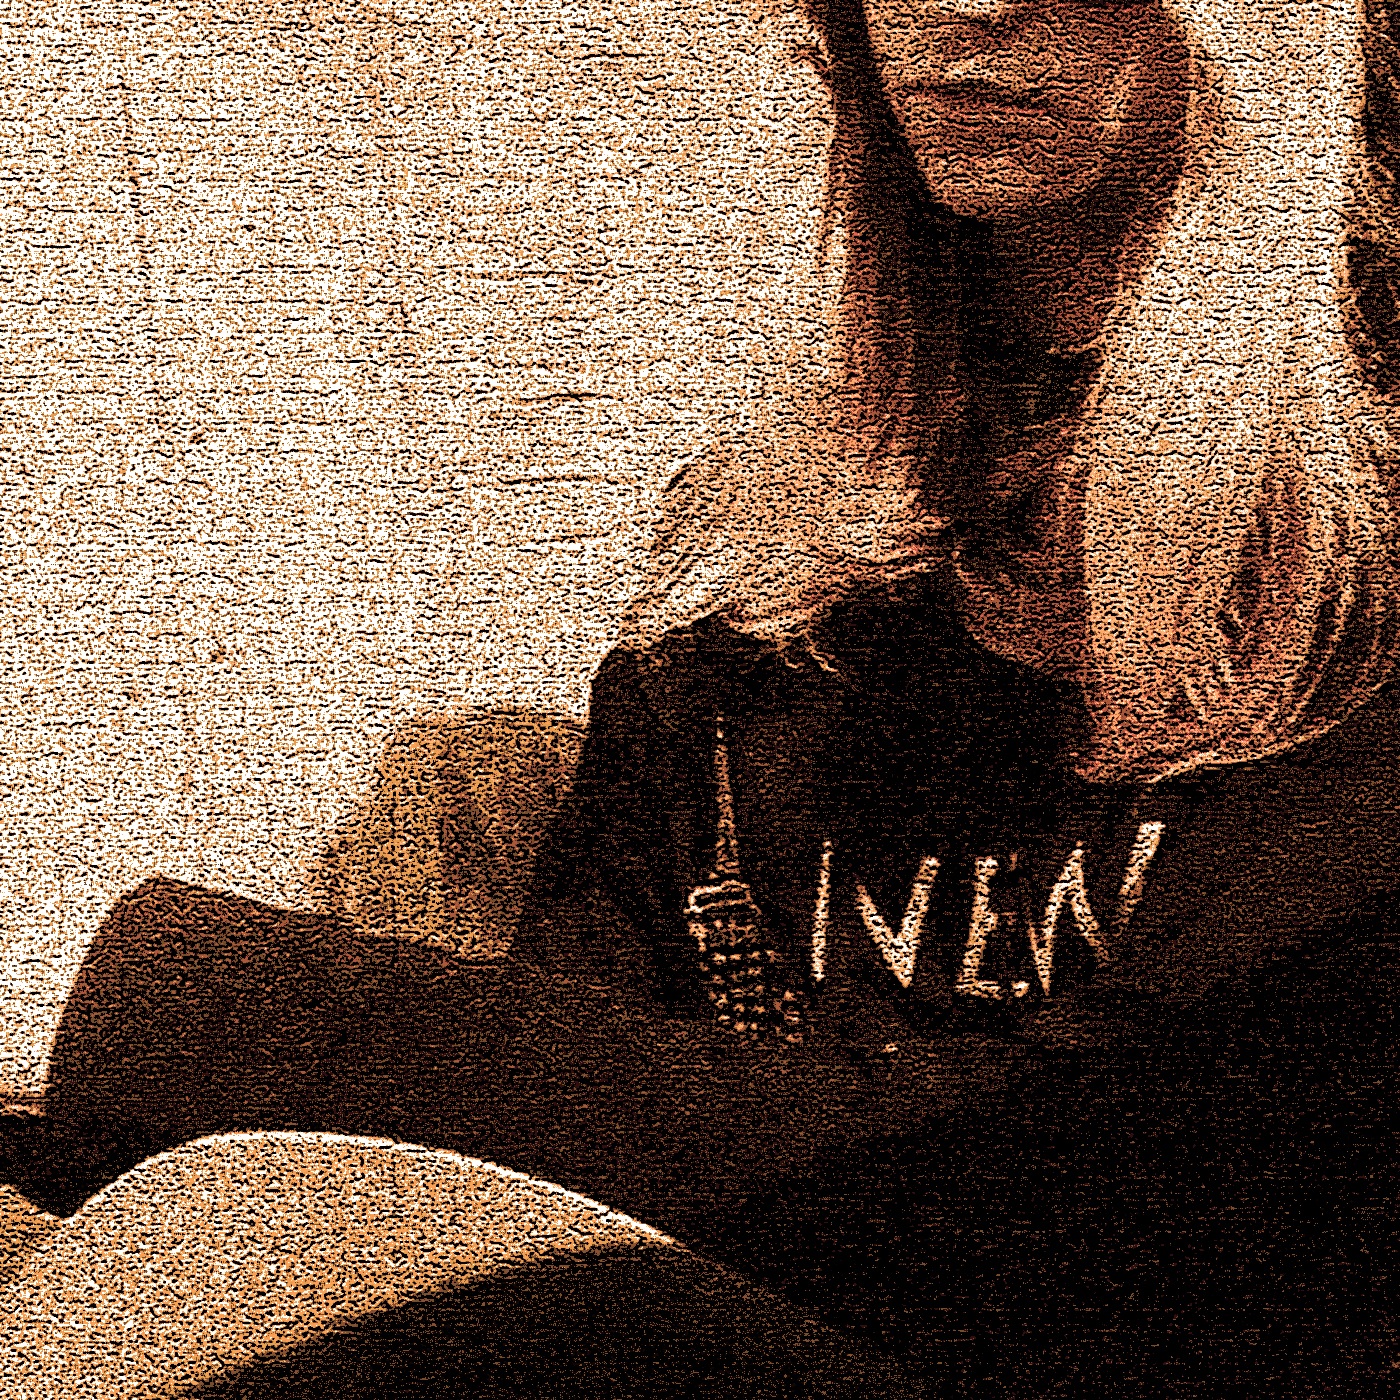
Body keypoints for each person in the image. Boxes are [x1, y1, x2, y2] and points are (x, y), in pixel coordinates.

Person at [6, 0, 1400, 1393]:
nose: (966, 5)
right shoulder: (767, 559)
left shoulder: (1355, 568)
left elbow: (1095, 1194)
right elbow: (535, 1185)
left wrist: (190, 1014)